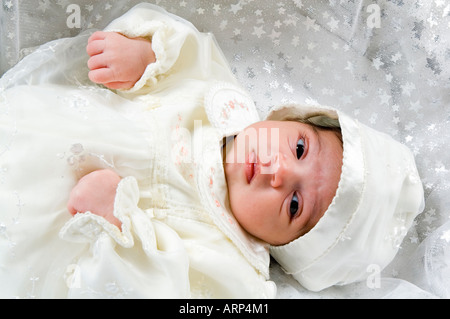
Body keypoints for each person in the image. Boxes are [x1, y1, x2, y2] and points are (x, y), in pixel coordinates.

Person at [0, 3, 424, 298]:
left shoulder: (233, 269)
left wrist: (119, 229)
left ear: (286, 248)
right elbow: (186, 51)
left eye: (295, 204)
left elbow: (165, 293)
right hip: (27, 124)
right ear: (295, 119)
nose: (278, 171)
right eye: (298, 147)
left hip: (34, 231)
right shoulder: (221, 101)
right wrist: (145, 55)